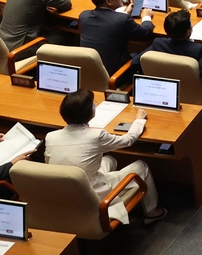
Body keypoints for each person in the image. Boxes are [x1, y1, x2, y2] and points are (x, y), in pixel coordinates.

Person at [45, 89, 166, 224]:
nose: (95, 105)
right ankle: (151, 212)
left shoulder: (51, 137)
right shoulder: (96, 136)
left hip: (64, 194)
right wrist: (138, 121)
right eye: (93, 104)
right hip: (93, 195)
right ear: (89, 112)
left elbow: (49, 164)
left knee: (109, 160)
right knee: (141, 166)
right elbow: (128, 140)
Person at [79, 0, 155, 76]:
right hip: (114, 73)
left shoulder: (84, 16)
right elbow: (145, 32)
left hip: (89, 69)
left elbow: (108, 22)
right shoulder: (122, 19)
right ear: (109, 1)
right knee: (143, 52)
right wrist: (146, 17)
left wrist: (125, 13)